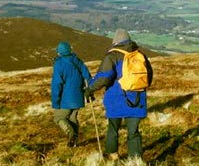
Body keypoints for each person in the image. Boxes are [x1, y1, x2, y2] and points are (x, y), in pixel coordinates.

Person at [85, 29, 153, 161]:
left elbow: (103, 77)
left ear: (115, 41)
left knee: (113, 129)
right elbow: (148, 76)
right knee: (133, 132)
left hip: (116, 99)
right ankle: (135, 159)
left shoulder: (112, 56)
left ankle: (112, 155)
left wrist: (90, 89)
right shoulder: (140, 55)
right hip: (137, 99)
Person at [51, 41, 92, 147]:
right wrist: (89, 90)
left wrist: (56, 102)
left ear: (59, 53)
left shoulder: (59, 65)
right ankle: (74, 144)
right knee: (73, 118)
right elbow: (87, 75)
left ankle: (71, 135)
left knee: (58, 117)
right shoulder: (77, 61)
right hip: (78, 97)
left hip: (66, 99)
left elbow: (56, 85)